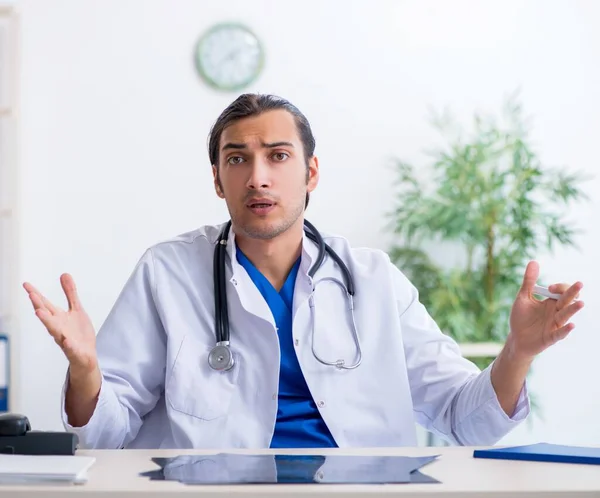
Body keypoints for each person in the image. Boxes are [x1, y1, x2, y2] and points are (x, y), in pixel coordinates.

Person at [23, 94, 584, 450]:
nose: (258, 177)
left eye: (278, 155)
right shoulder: (168, 272)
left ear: (311, 172)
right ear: (218, 180)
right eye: (237, 159)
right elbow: (106, 432)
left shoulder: (372, 278)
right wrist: (88, 372)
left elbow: (467, 420)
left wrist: (517, 353)